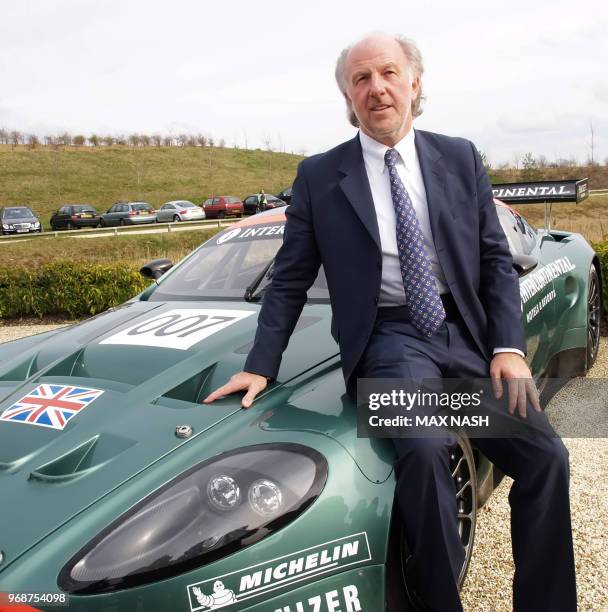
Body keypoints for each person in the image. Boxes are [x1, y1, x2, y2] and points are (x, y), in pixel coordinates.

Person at [204, 33, 576, 611]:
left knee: (548, 460)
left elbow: (493, 261)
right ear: (349, 97)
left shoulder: (460, 156)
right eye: (360, 79)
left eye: (387, 74)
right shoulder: (320, 176)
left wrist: (508, 347)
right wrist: (260, 366)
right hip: (390, 340)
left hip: (469, 337)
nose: (376, 88)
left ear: (414, 83)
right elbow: (290, 278)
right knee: (425, 452)